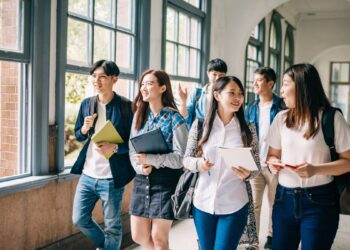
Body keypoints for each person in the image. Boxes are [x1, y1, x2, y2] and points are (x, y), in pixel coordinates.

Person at [266, 63, 350, 250]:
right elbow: (272, 155)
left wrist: (315, 170)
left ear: (302, 87)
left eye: (285, 84)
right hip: (283, 198)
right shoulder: (281, 118)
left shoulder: (332, 118)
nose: (281, 90)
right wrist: (274, 164)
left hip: (319, 201)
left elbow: (348, 162)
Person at [183, 76, 261, 250]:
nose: (237, 98)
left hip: (234, 204)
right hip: (203, 202)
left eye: (240, 93)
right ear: (217, 95)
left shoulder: (249, 130)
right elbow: (186, 159)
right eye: (232, 93)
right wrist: (199, 165)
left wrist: (249, 173)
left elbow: (256, 168)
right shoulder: (200, 126)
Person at [71, 60, 135, 250]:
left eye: (102, 77)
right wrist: (84, 128)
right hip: (88, 174)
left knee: (112, 227)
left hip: (111, 177)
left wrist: (114, 148)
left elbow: (134, 143)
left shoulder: (126, 107)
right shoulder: (86, 104)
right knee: (79, 219)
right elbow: (78, 135)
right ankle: (107, 246)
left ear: (114, 79)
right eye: (94, 76)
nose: (96, 81)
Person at [129, 69, 188, 250]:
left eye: (150, 83)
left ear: (163, 88)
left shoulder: (175, 118)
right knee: (138, 235)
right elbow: (132, 152)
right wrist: (141, 167)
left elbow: (181, 159)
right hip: (141, 180)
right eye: (142, 84)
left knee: (159, 238)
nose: (144, 88)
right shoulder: (139, 116)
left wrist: (151, 159)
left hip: (165, 182)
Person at [245, 67, 284, 250]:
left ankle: (271, 236)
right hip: (255, 164)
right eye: (255, 80)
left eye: (259, 80)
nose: (254, 84)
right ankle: (253, 241)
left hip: (275, 164)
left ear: (270, 83)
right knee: (254, 205)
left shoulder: (282, 106)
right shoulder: (250, 107)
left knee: (275, 204)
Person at [178, 58, 227, 128]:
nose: (217, 78)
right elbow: (185, 118)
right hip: (199, 136)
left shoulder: (227, 95)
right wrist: (183, 101)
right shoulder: (197, 94)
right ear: (208, 73)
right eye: (214, 74)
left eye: (221, 75)